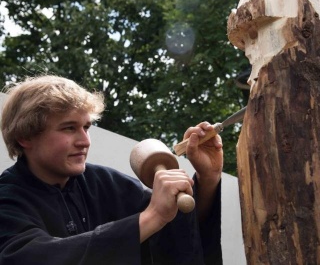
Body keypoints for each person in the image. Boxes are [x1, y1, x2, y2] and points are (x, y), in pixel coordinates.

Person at [0, 75, 223, 264]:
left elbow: (180, 233)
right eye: (69, 128)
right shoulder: (7, 200)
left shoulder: (107, 184)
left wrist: (208, 178)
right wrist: (152, 217)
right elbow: (34, 257)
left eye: (86, 127)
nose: (84, 141)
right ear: (25, 137)